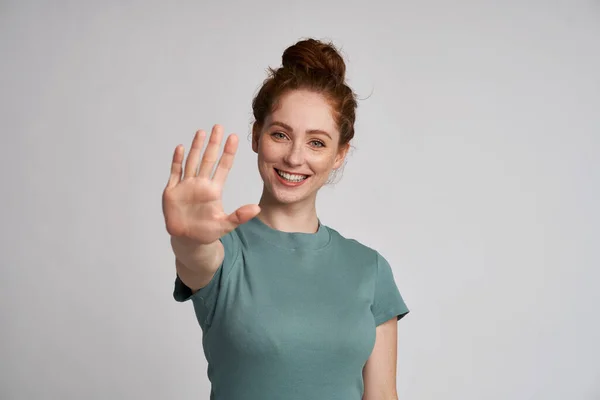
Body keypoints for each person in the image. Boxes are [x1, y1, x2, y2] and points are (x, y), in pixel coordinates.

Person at [161, 38, 409, 400]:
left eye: (317, 143)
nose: (294, 157)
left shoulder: (370, 269)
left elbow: (383, 396)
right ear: (256, 136)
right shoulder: (224, 252)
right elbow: (195, 258)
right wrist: (188, 238)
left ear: (340, 154)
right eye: (280, 134)